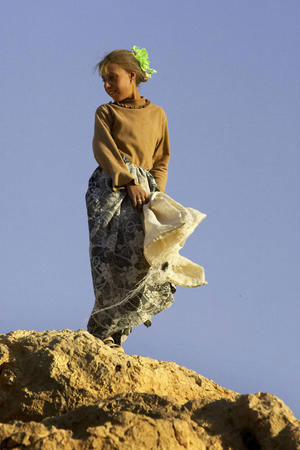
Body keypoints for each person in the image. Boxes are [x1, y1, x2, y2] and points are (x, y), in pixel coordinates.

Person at [86, 46, 176, 351]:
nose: (107, 86)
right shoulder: (106, 112)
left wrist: (155, 193)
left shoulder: (157, 114)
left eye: (112, 78)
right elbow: (103, 150)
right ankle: (103, 335)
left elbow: (162, 158)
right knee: (109, 260)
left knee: (145, 260)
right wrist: (127, 181)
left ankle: (117, 333)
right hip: (111, 187)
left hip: (146, 193)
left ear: (132, 75)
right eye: (104, 81)